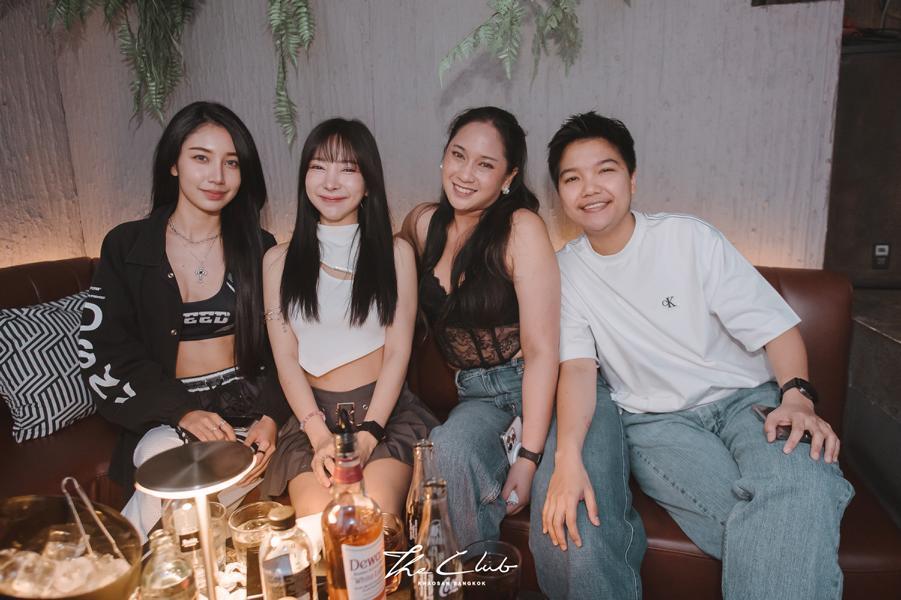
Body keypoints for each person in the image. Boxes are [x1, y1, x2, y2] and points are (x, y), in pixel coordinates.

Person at [541, 111, 854, 599]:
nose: (590, 188)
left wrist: (797, 397)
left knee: (805, 484)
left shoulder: (688, 238)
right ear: (560, 195)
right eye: (572, 178)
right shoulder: (566, 272)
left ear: (632, 179)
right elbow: (579, 368)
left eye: (605, 170)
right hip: (656, 424)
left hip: (747, 401)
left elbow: (775, 327)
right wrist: (567, 455)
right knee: (790, 521)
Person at [78, 101, 291, 541]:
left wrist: (271, 417)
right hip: (168, 412)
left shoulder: (260, 247)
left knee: (202, 489)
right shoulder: (127, 246)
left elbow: (287, 345)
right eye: (201, 158)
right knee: (163, 462)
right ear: (173, 164)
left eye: (231, 163)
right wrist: (184, 411)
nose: (217, 176)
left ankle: (109, 560)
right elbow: (106, 348)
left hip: (247, 415)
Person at [260, 118, 438, 517]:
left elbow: (398, 352)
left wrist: (370, 434)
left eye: (347, 169)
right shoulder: (276, 261)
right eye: (318, 166)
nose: (331, 182)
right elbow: (285, 358)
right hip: (313, 422)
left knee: (371, 515)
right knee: (324, 524)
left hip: (383, 417)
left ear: (369, 182)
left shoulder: (396, 254)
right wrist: (320, 437)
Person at [401, 106, 560, 551]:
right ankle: (464, 580)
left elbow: (542, 350)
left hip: (535, 389)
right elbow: (383, 278)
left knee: (561, 501)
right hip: (475, 395)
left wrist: (528, 457)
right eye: (458, 155)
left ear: (508, 177)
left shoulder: (520, 228)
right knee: (444, 454)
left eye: (485, 165)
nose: (466, 174)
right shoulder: (422, 224)